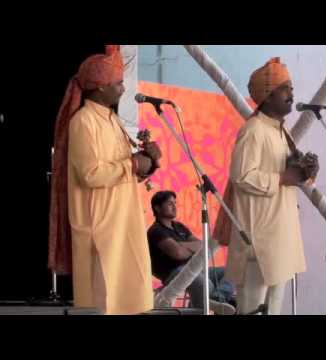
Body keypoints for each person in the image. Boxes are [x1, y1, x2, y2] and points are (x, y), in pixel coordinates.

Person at [48, 45, 160, 315]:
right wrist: (133, 164)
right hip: (100, 230)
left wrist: (147, 162)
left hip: (122, 224)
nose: (123, 89)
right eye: (118, 83)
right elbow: (91, 174)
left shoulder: (112, 119)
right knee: (103, 303)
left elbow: (122, 169)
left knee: (130, 302)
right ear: (99, 88)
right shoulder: (84, 122)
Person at [222, 57, 318, 315]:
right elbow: (241, 176)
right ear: (268, 94)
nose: (292, 93)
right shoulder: (254, 130)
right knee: (253, 308)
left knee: (274, 308)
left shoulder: (279, 131)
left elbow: (289, 173)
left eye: (291, 88)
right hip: (259, 239)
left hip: (279, 237)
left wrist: (306, 173)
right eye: (285, 88)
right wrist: (281, 178)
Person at [148, 191, 236, 315]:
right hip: (174, 273)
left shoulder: (179, 226)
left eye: (175, 203)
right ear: (157, 208)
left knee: (232, 271)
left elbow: (201, 246)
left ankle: (217, 298)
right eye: (169, 204)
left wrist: (181, 245)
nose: (174, 206)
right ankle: (212, 304)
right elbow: (177, 253)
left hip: (195, 268)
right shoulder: (156, 231)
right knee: (205, 284)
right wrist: (185, 248)